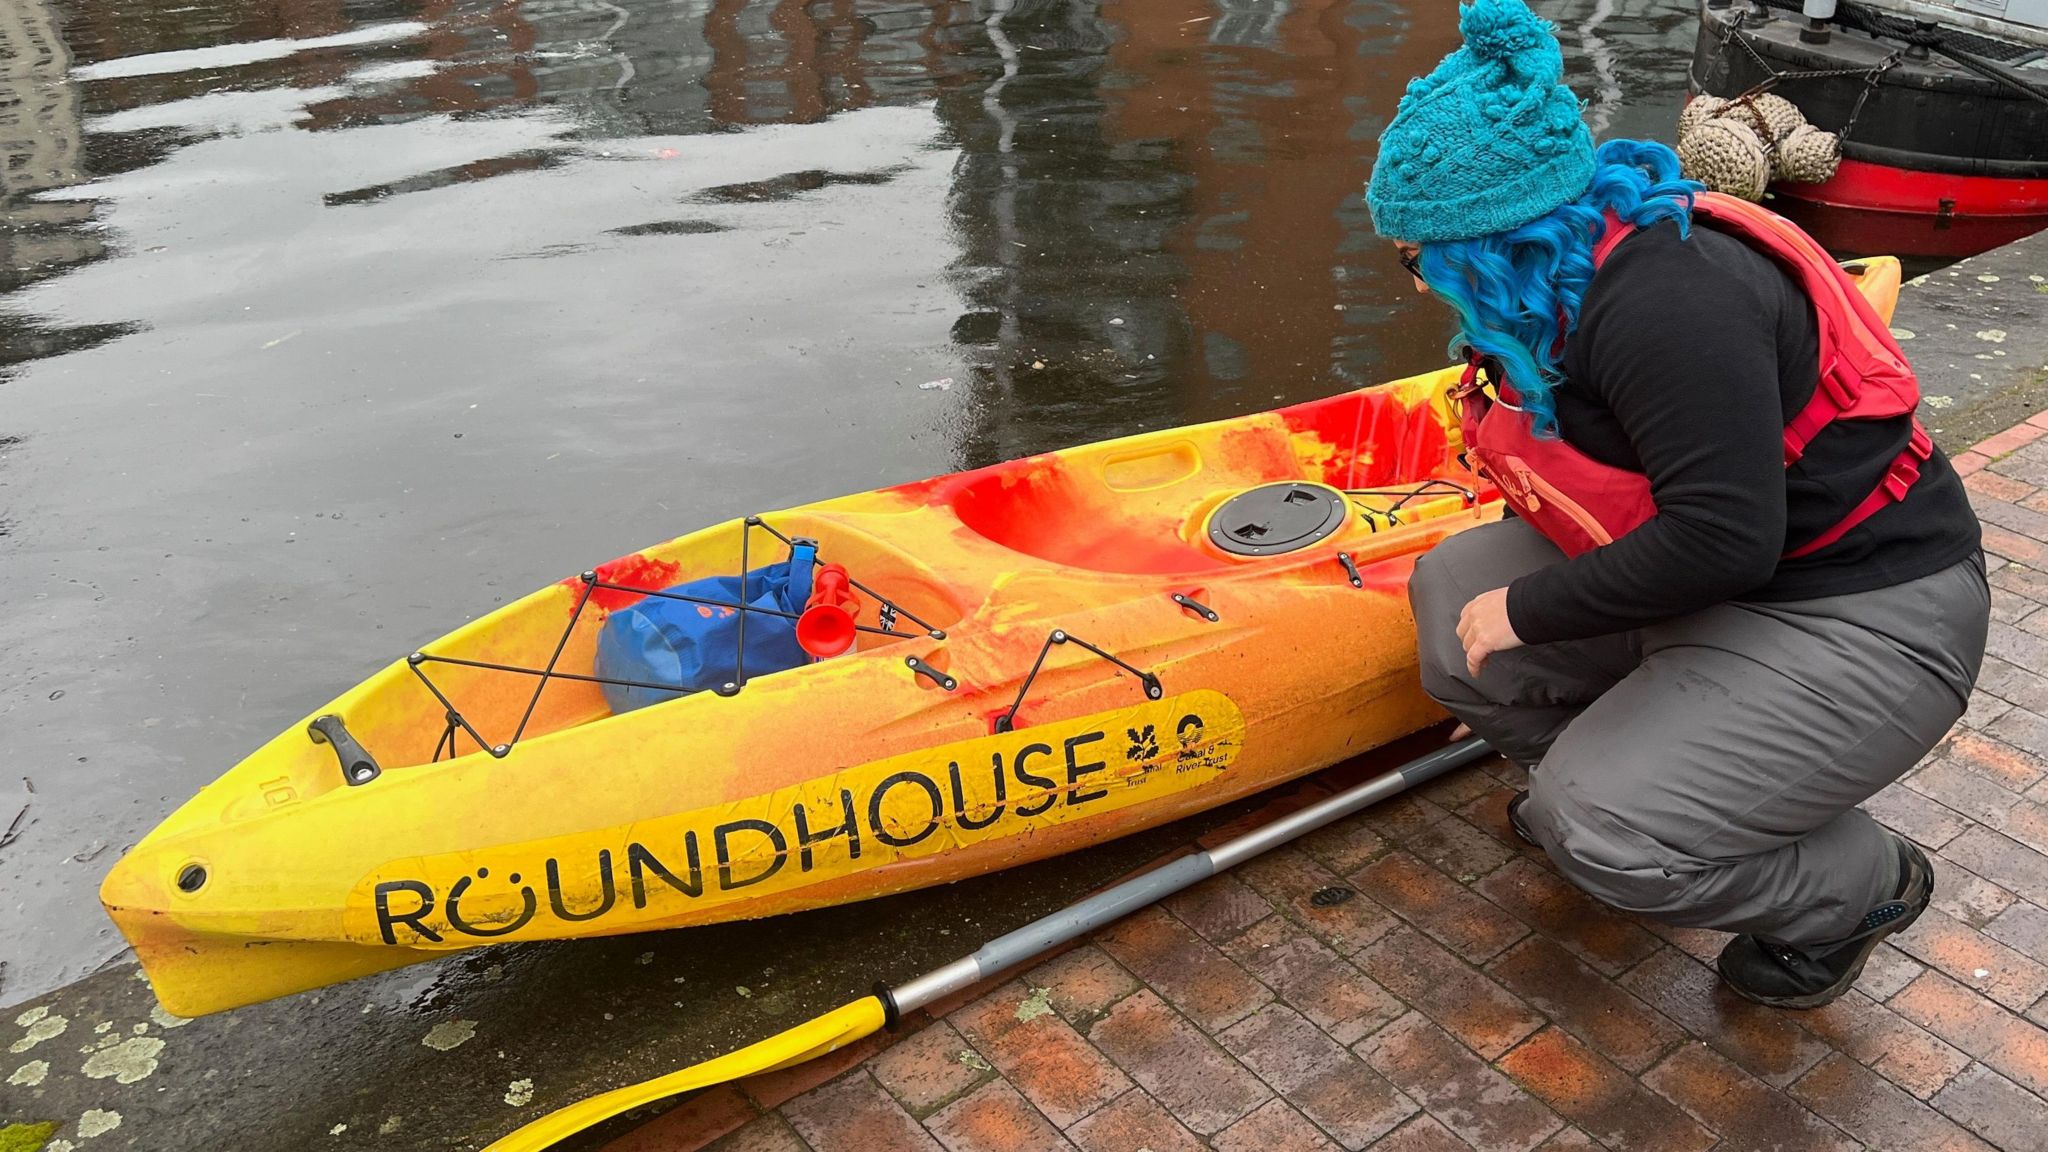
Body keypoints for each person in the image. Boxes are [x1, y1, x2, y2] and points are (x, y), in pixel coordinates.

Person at [1367, 0, 1987, 1009]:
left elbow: (1723, 539)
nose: (1417, 280)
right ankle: (1633, 779)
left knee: (1600, 826)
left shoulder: (1669, 304)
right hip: (1735, 569)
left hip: (1862, 606)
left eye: (1418, 258)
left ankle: (1855, 886)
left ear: (1494, 241)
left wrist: (1527, 612)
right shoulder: (1562, 282)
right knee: (1450, 599)